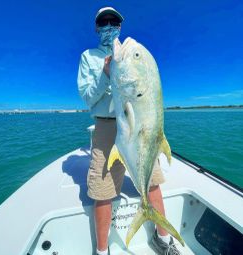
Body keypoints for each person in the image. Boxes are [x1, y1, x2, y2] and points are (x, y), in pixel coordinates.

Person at [77, 6, 181, 255]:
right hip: (106, 126)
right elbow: (87, 97)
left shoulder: (131, 51)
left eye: (114, 22)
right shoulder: (88, 56)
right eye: (104, 22)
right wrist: (105, 74)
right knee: (103, 191)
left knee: (153, 182)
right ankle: (103, 251)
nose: (109, 26)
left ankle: (163, 239)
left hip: (140, 129)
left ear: (120, 26)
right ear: (96, 28)